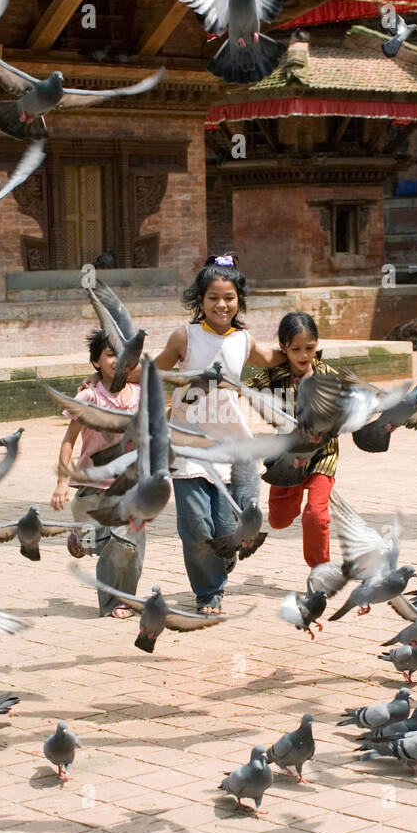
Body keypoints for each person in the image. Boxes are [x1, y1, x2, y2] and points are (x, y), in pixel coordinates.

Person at [154, 254, 282, 614]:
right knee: (196, 524)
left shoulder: (243, 339)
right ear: (200, 300)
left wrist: (306, 351)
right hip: (187, 442)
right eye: (213, 297)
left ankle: (223, 558)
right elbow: (153, 370)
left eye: (229, 297)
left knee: (226, 525)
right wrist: (103, 379)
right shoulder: (186, 336)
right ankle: (209, 592)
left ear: (239, 300)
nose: (221, 304)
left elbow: (273, 358)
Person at [51, 328, 143, 618]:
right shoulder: (90, 396)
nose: (118, 360)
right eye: (110, 354)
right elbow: (69, 439)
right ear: (96, 362)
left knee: (127, 543)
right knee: (100, 540)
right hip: (92, 484)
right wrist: (62, 482)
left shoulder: (139, 394)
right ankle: (81, 539)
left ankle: (119, 601)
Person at [246, 311, 338, 567]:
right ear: (283, 348)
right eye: (295, 349)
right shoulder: (274, 376)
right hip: (286, 459)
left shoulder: (327, 376)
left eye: (309, 348)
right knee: (279, 520)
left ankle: (320, 571)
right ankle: (293, 494)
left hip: (322, 456)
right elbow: (245, 388)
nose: (304, 355)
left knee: (315, 516)